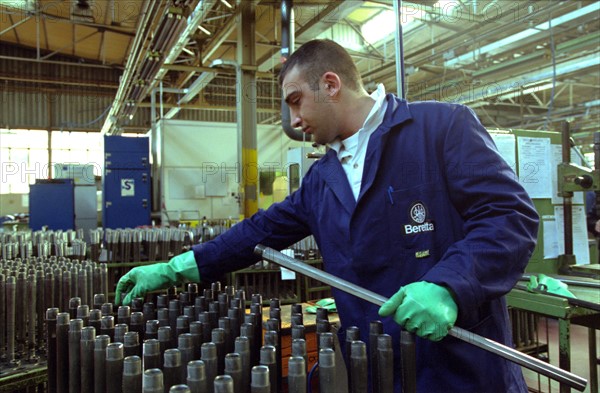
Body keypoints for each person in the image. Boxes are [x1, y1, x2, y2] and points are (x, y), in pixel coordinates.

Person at [116, 39, 539, 392]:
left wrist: (449, 285)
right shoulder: (323, 178)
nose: (295, 120)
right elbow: (259, 231)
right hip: (376, 367)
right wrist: (178, 267)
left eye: (296, 102)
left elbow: (509, 216)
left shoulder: (441, 128)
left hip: (462, 365)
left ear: (331, 84)